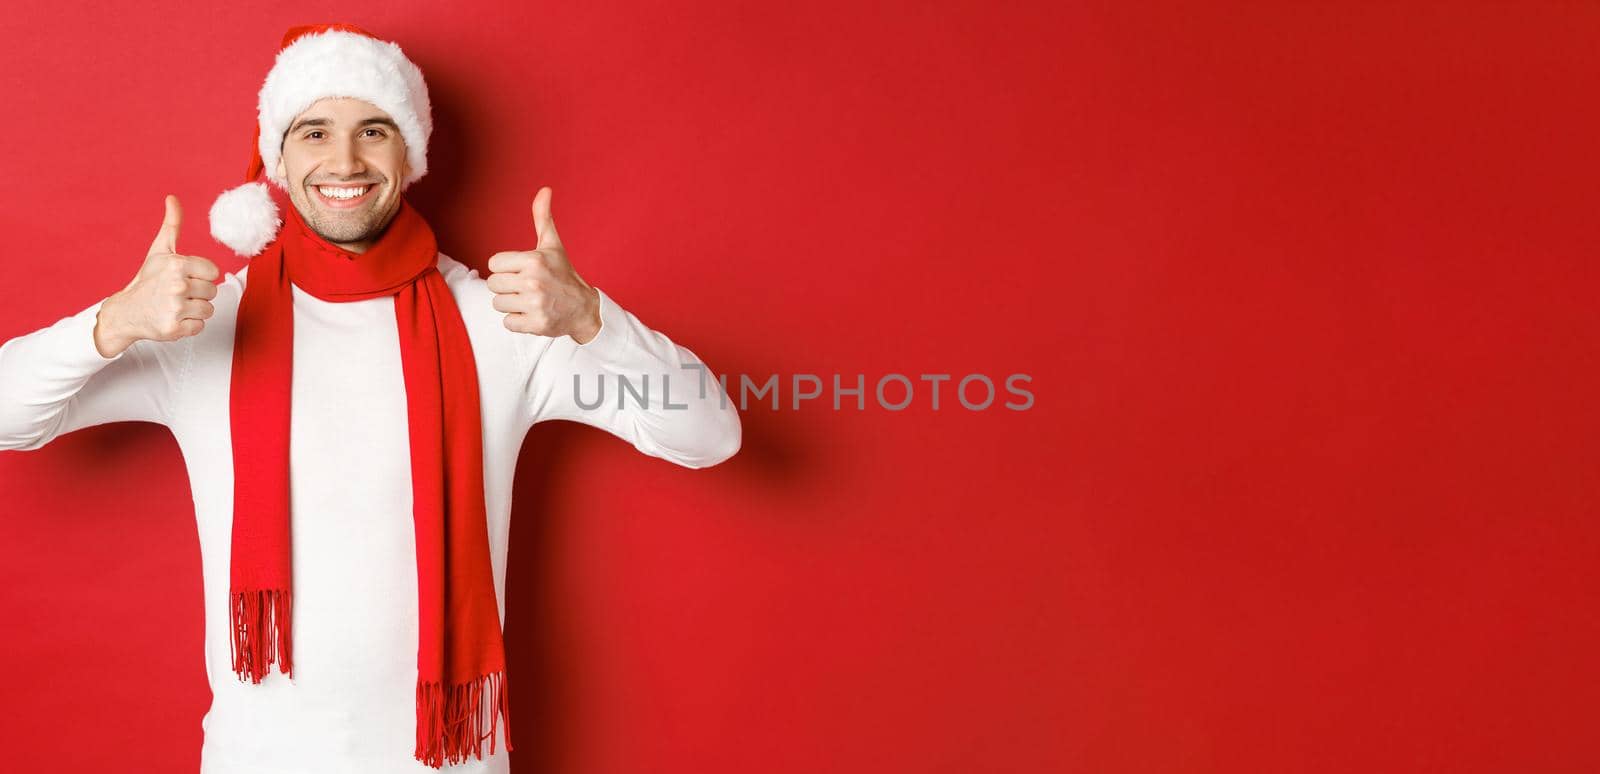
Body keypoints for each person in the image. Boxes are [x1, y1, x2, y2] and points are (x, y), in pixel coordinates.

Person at [0, 22, 740, 774]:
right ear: (277, 158)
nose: (344, 161)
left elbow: (710, 435)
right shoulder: (201, 324)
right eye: (314, 131)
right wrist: (113, 323)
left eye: (373, 130)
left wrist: (593, 320)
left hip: (451, 760)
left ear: (410, 152)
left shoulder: (505, 319)